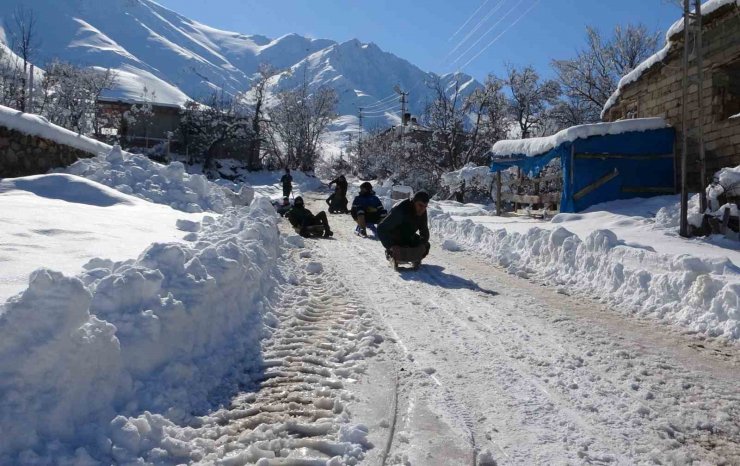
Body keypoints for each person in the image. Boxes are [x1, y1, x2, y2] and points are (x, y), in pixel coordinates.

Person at [377, 191, 430, 260]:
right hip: (394, 236)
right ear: (414, 202)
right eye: (420, 205)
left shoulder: (422, 211)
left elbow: (424, 231)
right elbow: (381, 228)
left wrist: (422, 245)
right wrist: (390, 246)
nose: (422, 209)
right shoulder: (401, 209)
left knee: (426, 245)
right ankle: (391, 252)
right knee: (399, 249)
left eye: (425, 206)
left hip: (408, 235)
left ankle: (408, 254)